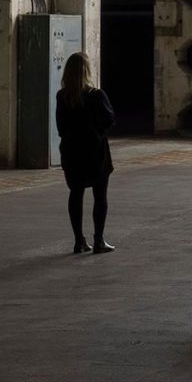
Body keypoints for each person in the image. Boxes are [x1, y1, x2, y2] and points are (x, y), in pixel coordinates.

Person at [55, 51, 116, 254]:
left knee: (76, 193)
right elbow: (109, 120)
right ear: (87, 71)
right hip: (95, 152)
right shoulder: (96, 95)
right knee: (100, 196)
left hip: (72, 153)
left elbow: (61, 128)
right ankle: (99, 240)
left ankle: (79, 240)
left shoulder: (62, 97)